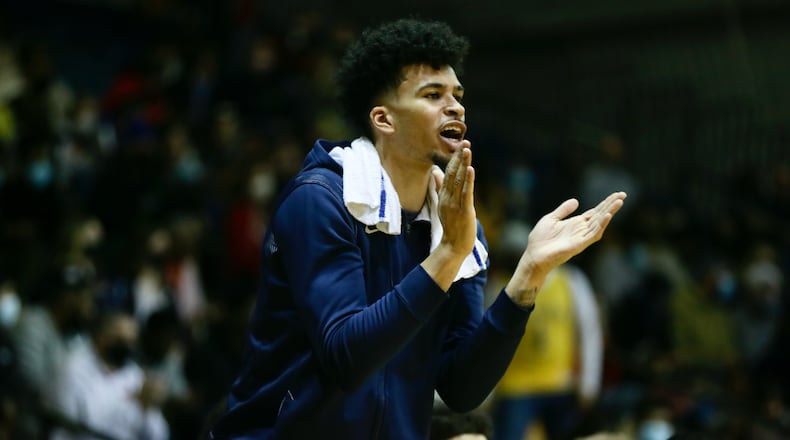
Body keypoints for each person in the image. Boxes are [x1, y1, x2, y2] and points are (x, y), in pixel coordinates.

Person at [209, 18, 626, 439]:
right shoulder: (320, 200)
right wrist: (447, 256)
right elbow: (345, 357)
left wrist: (526, 279)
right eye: (433, 95)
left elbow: (461, 388)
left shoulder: (458, 225)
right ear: (383, 119)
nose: (456, 107)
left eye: (457, 96)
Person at [491, 263, 603, 440]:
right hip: (516, 386)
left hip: (560, 384)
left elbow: (589, 331)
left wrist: (589, 383)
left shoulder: (571, 280)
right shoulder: (504, 282)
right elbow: (491, 341)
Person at [49, 311, 169, 440]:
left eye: (132, 341)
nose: (128, 347)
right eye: (121, 341)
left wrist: (145, 409)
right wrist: (133, 407)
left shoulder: (133, 373)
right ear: (101, 337)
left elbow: (158, 434)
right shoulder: (73, 368)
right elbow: (72, 428)